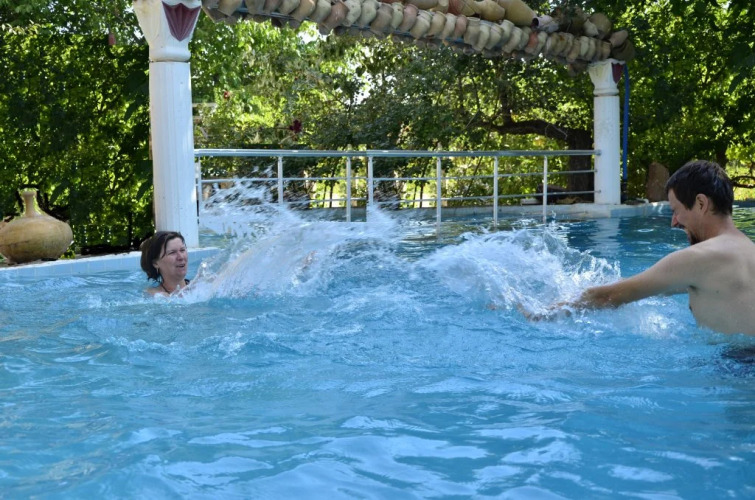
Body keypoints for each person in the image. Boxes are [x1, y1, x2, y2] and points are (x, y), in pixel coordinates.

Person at [528, 160, 755, 335]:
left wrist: (540, 314)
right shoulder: (747, 251)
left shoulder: (698, 258)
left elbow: (606, 297)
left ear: (701, 203)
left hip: (735, 367)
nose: (674, 222)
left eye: (676, 211)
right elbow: (654, 286)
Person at [140, 231, 191, 296]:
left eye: (182, 250)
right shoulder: (153, 296)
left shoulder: (199, 286)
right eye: (172, 252)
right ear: (155, 263)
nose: (181, 257)